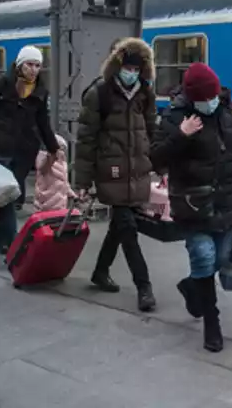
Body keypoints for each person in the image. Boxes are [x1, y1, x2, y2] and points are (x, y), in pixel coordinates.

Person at [149, 62, 232, 353]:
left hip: (225, 200)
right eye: (205, 99)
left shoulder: (228, 111)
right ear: (192, 98)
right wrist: (181, 134)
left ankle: (191, 288)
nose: (211, 103)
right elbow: (155, 159)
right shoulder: (174, 117)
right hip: (192, 203)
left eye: (214, 97)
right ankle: (212, 323)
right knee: (204, 257)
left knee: (220, 259)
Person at [74, 37, 158, 312]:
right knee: (128, 227)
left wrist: (160, 167)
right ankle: (144, 287)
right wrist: (83, 182)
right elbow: (86, 140)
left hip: (137, 171)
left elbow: (150, 132)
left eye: (137, 68)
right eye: (128, 67)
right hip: (111, 170)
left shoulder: (145, 93)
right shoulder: (99, 93)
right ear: (118, 65)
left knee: (119, 227)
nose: (132, 73)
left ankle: (100, 271)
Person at [0, 45, 58, 254]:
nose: (34, 69)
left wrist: (53, 148)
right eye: (30, 64)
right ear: (20, 64)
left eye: (38, 65)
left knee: (9, 195)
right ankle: (13, 243)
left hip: (23, 150)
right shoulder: (2, 84)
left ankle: (0, 241)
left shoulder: (40, 90)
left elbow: (43, 122)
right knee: (8, 194)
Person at [34, 134, 76, 213]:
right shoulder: (43, 159)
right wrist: (51, 157)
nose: (62, 152)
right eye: (60, 149)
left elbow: (64, 181)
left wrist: (71, 193)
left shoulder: (63, 163)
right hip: (46, 201)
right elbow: (43, 168)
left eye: (63, 149)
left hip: (61, 203)